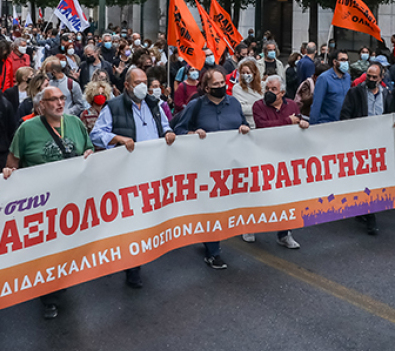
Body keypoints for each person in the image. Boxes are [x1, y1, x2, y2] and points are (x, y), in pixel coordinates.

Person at [11, 86, 94, 319]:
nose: (59, 103)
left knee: (66, 245)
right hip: (42, 203)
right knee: (47, 248)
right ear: (41, 105)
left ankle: (61, 279)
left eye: (62, 98)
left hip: (71, 199)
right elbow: (13, 161)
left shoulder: (75, 123)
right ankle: (48, 296)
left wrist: (89, 153)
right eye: (53, 99)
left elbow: (88, 147)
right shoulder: (27, 129)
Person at [89, 68, 176, 288]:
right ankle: (132, 266)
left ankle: (146, 251)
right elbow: (96, 134)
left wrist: (168, 133)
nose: (143, 87)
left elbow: (164, 126)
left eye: (145, 82)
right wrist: (116, 138)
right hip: (127, 173)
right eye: (138, 82)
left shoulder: (155, 105)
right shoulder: (114, 106)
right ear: (126, 85)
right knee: (131, 219)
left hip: (152, 170)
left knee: (148, 215)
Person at [172, 67, 251, 269]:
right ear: (206, 88)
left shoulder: (233, 103)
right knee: (212, 208)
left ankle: (209, 239)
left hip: (230, 165)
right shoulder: (196, 106)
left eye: (222, 83)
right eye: (215, 85)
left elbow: (241, 123)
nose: (220, 87)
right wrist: (191, 133)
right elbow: (178, 128)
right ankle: (213, 252)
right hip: (205, 167)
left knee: (226, 207)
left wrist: (243, 128)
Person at [340, 63, 395, 233]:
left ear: (381, 78)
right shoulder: (355, 92)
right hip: (360, 143)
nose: (371, 80)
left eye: (375, 77)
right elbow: (345, 115)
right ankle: (369, 216)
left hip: (379, 145)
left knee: (375, 179)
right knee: (364, 179)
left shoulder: (387, 94)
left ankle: (367, 211)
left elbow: (391, 114)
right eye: (369, 76)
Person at [250, 75, 307, 247]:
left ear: (282, 92)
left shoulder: (293, 105)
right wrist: (287, 121)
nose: (269, 92)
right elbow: (263, 127)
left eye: (273, 89)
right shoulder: (258, 106)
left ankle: (284, 233)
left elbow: (298, 124)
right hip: (264, 155)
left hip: (285, 156)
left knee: (285, 196)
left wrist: (301, 124)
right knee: (259, 194)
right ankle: (250, 227)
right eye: (267, 89)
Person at [310, 50, 351, 125]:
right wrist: (313, 125)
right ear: (334, 62)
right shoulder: (324, 78)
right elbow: (317, 104)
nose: (345, 63)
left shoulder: (347, 77)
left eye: (347, 60)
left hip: (344, 122)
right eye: (342, 60)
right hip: (327, 123)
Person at [231, 59, 263, 128]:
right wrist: (259, 108)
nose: (245, 75)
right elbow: (240, 108)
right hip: (248, 124)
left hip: (263, 122)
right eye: (243, 73)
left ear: (254, 73)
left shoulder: (263, 85)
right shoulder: (237, 88)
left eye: (248, 73)